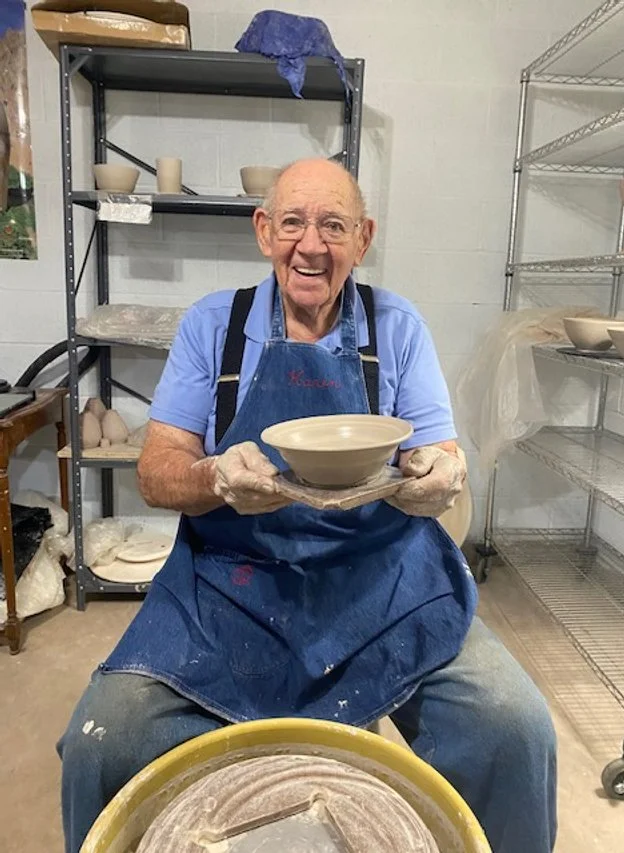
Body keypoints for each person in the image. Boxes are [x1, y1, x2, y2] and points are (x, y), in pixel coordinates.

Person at [58, 159, 557, 853]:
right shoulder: (214, 326)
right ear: (264, 231)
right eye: (292, 221)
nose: (311, 245)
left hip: (382, 583)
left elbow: (443, 454)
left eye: (333, 225)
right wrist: (215, 478)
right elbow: (156, 471)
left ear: (363, 237)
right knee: (103, 744)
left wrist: (440, 475)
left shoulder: (397, 327)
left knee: (514, 727)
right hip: (233, 585)